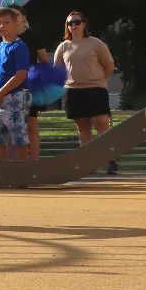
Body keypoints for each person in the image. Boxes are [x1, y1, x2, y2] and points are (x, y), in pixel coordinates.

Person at [55, 10, 118, 173]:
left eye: (77, 22)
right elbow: (58, 70)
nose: (73, 26)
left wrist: (99, 79)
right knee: (83, 127)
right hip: (73, 91)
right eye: (70, 23)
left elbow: (109, 64)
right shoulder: (63, 46)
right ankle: (89, 164)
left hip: (95, 88)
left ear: (84, 24)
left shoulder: (95, 43)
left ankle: (110, 159)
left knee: (101, 124)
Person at [0, 7, 32, 161]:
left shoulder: (19, 46)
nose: (2, 26)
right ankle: (3, 171)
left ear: (15, 24)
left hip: (16, 95)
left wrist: (1, 93)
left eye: (6, 22)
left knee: (18, 134)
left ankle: (22, 172)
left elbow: (20, 74)